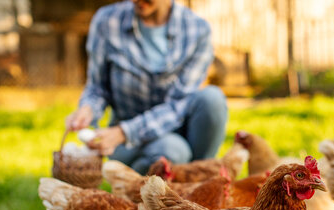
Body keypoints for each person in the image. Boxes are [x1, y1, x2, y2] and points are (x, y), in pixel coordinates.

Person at [66, 0, 228, 175]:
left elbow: (179, 102)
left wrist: (126, 132)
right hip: (127, 141)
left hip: (175, 127)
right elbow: (97, 87)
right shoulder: (108, 21)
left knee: (213, 99)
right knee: (173, 150)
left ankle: (200, 181)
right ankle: (134, 189)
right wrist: (88, 109)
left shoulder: (197, 29)